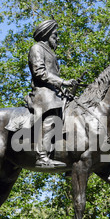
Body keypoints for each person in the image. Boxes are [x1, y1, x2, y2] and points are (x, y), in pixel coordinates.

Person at [25, 19, 77, 168]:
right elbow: (39, 72)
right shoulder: (37, 48)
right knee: (52, 118)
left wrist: (65, 88)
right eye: (55, 35)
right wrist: (62, 82)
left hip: (54, 92)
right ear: (46, 35)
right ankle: (42, 156)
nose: (57, 38)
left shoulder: (51, 53)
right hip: (43, 93)